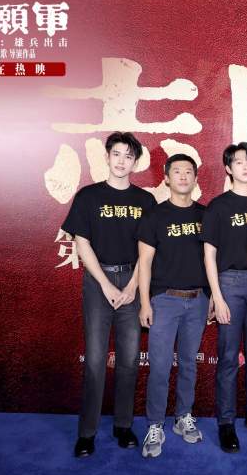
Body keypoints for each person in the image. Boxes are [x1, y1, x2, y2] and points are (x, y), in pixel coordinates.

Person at [62, 131, 156, 457]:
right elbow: (82, 243)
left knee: (129, 359)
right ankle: (87, 433)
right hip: (97, 280)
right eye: (116, 154)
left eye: (128, 156)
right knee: (95, 360)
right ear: (107, 156)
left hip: (132, 280)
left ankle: (123, 425)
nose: (121, 161)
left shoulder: (145, 201)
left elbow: (147, 250)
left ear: (135, 162)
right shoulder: (88, 197)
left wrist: (131, 286)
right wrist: (105, 283)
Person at [136, 154, 209, 458]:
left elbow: (212, 260)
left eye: (188, 171)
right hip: (164, 301)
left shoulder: (206, 215)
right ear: (166, 178)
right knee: (161, 366)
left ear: (195, 178)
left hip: (198, 300)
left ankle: (183, 416)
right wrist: (144, 303)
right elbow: (144, 262)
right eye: (176, 171)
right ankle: (155, 424)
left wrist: (212, 297)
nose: (183, 176)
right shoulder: (155, 216)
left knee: (189, 363)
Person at [202, 142, 247, 453]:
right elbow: (209, 254)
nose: (245, 166)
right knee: (229, 356)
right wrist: (217, 296)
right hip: (230, 283)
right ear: (228, 168)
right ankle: (226, 421)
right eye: (239, 162)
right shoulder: (218, 206)